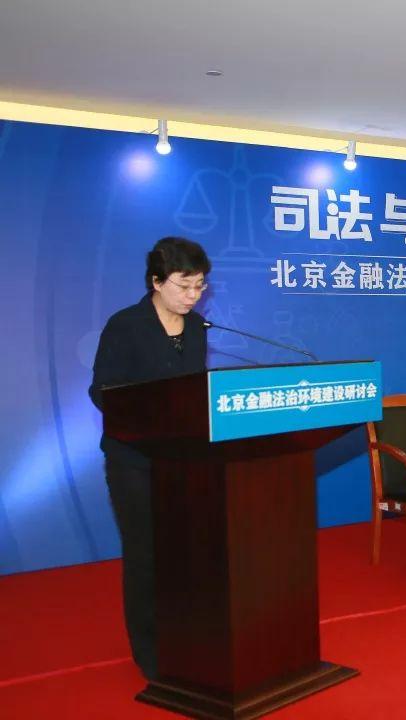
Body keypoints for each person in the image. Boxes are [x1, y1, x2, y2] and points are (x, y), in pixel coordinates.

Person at [88, 237, 212, 681]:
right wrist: (150, 418)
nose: (193, 296)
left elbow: (194, 390)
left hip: (184, 461)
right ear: (156, 282)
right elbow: (103, 391)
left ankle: (187, 635)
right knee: (146, 555)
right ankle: (151, 652)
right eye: (184, 285)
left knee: (184, 553)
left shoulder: (196, 328)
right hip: (135, 461)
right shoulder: (125, 325)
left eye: (200, 286)